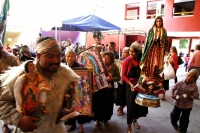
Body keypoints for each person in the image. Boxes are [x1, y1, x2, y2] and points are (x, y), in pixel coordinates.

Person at [0, 37, 80, 133]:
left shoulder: (66, 74)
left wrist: (72, 105)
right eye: (50, 56)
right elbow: (2, 102)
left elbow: (72, 94)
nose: (55, 60)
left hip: (57, 129)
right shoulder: (23, 75)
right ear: (38, 56)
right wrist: (18, 120)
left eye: (58, 56)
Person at [122, 41, 148, 133]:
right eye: (130, 51)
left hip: (141, 86)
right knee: (131, 106)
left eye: (133, 51)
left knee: (139, 105)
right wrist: (131, 84)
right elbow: (124, 76)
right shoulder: (126, 61)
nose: (131, 53)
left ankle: (135, 120)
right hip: (130, 86)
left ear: (138, 52)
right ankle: (128, 126)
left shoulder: (142, 60)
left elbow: (145, 73)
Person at [64, 49, 91, 133]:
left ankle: (81, 126)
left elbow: (84, 78)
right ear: (65, 57)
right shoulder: (63, 67)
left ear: (75, 57)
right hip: (68, 91)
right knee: (70, 108)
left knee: (80, 108)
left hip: (78, 90)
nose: (70, 58)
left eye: (72, 56)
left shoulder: (80, 65)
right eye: (68, 56)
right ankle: (72, 124)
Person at [138, 16, 168, 90]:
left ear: (162, 22)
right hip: (151, 50)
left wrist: (162, 40)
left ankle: (154, 75)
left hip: (159, 50)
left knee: (156, 63)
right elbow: (148, 41)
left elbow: (166, 42)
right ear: (155, 22)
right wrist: (153, 40)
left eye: (160, 21)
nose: (158, 23)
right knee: (150, 62)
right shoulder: (151, 30)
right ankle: (149, 75)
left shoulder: (164, 31)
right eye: (157, 21)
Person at [93, 51, 120, 126]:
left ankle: (106, 119)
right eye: (105, 58)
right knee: (98, 104)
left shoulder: (114, 67)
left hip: (108, 89)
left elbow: (118, 78)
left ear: (111, 59)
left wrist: (111, 78)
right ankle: (98, 119)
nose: (106, 59)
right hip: (99, 89)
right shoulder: (100, 65)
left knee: (107, 105)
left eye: (108, 58)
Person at [170, 69, 199, 133]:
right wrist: (173, 95)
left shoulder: (195, 87)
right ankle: (174, 123)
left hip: (187, 106)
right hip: (177, 103)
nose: (189, 77)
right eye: (188, 75)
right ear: (186, 75)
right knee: (174, 115)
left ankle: (183, 130)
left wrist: (190, 96)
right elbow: (173, 88)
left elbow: (195, 95)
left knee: (185, 120)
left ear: (195, 79)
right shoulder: (180, 83)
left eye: (192, 77)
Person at [0, 41, 18, 133]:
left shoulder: (11, 58)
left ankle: (5, 124)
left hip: (7, 85)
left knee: (7, 102)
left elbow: (17, 72)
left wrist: (4, 73)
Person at [115, 47, 129, 116]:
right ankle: (121, 107)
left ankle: (121, 108)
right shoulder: (120, 60)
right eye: (123, 52)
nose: (123, 53)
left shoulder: (129, 61)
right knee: (120, 95)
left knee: (124, 96)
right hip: (120, 81)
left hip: (126, 81)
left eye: (125, 52)